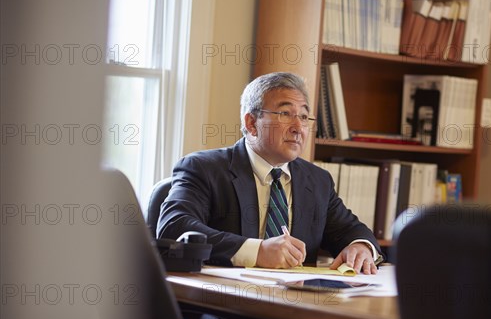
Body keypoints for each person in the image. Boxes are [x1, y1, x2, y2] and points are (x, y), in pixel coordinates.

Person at [158, 71, 383, 274]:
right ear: (252, 123)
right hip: (222, 308)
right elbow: (174, 226)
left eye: (304, 117)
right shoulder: (205, 168)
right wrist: (258, 252)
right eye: (285, 113)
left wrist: (361, 246)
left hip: (297, 310)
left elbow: (351, 230)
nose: (298, 127)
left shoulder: (317, 180)